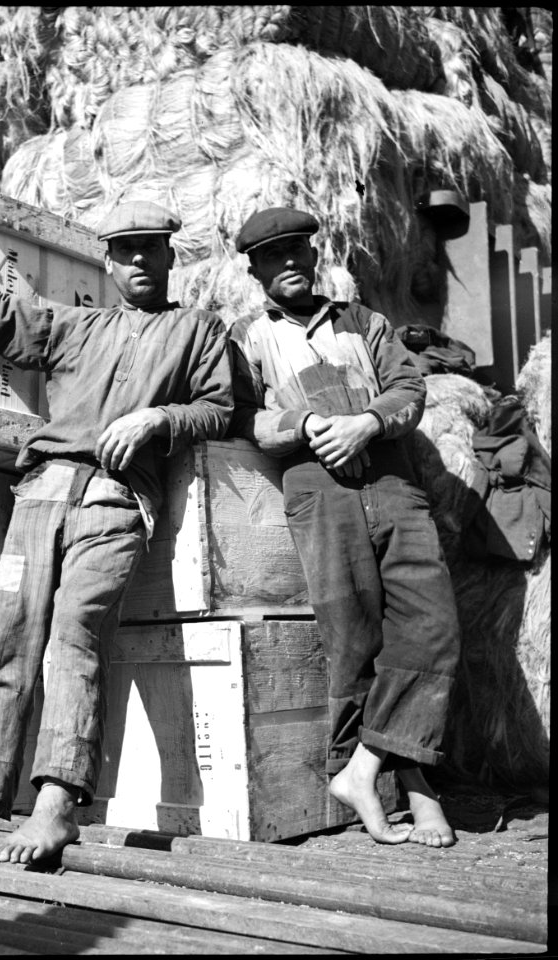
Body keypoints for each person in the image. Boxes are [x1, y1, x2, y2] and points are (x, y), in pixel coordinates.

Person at [0, 198, 233, 863]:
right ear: (108, 263)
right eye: (124, 250)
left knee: (74, 641)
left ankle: (55, 807)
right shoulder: (77, 325)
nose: (138, 261)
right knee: (4, 643)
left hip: (114, 501)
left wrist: (159, 421)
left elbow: (218, 408)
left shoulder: (198, 331)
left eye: (149, 248)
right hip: (39, 495)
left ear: (168, 255)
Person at [228, 207, 460, 847]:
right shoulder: (246, 339)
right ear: (256, 271)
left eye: (299, 250)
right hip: (318, 492)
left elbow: (408, 387)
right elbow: (242, 417)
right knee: (353, 643)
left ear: (314, 253)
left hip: (391, 483)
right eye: (275, 256)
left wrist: (369, 422)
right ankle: (413, 787)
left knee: (431, 628)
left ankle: (364, 769)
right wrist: (299, 426)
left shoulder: (365, 321)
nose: (292, 263)